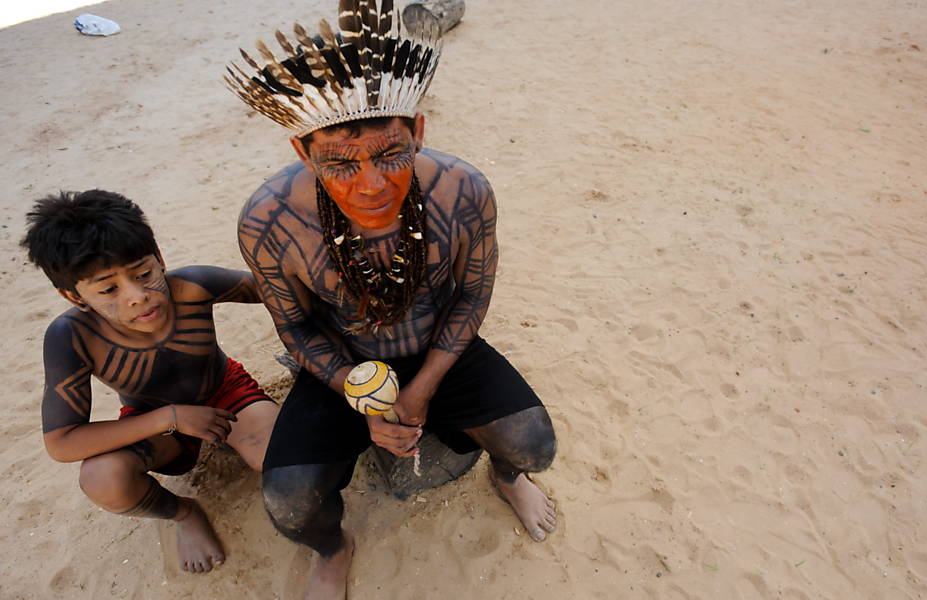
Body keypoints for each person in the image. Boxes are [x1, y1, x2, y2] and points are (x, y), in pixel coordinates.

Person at [229, 2, 557, 598]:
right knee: (290, 504)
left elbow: (473, 294)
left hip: (441, 349)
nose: (371, 184)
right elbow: (297, 330)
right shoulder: (269, 220)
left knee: (535, 445)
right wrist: (364, 396)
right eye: (339, 165)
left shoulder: (463, 190)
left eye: (390, 153)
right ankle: (334, 549)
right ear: (303, 153)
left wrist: (422, 386)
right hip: (342, 360)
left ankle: (506, 478)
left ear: (419, 131)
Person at [21, 190, 281, 574]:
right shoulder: (72, 338)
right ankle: (184, 515)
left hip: (228, 395)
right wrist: (170, 418)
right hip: (155, 425)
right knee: (101, 478)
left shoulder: (191, 287)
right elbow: (61, 442)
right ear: (74, 296)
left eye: (143, 274)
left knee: (279, 458)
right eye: (108, 289)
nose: (137, 297)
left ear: (159, 258)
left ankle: (241, 439)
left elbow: (281, 291)